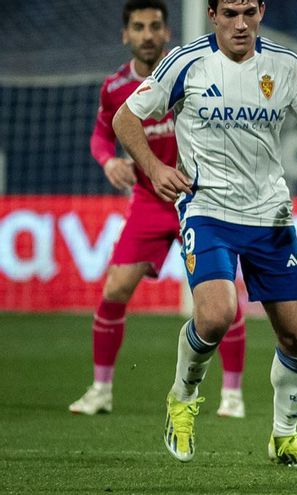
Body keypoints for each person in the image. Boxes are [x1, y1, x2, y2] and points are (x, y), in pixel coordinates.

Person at [112, 0, 297, 466]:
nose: (241, 24)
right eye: (230, 12)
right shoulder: (186, 61)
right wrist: (154, 168)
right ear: (212, 14)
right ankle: (183, 396)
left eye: (250, 12)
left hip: (270, 214)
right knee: (216, 316)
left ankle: (284, 437)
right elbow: (124, 118)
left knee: (296, 336)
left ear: (262, 12)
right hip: (207, 208)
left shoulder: (285, 66)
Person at [70, 0, 248, 420]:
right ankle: (100, 390)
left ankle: (233, 395)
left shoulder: (194, 71)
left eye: (154, 26)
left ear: (168, 33)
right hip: (151, 203)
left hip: (202, 201)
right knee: (114, 291)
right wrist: (109, 161)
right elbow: (101, 136)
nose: (147, 34)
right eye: (138, 27)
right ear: (125, 35)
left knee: (223, 303)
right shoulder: (115, 88)